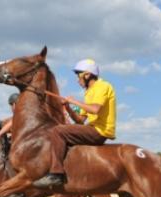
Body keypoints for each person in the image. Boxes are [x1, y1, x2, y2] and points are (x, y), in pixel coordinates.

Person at [33, 58, 116, 189]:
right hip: (91, 128)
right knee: (61, 130)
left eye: (79, 76)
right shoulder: (89, 92)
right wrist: (68, 107)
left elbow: (95, 109)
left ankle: (56, 174)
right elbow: (79, 121)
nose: (77, 80)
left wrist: (74, 102)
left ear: (87, 75)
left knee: (57, 131)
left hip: (100, 131)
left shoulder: (102, 86)